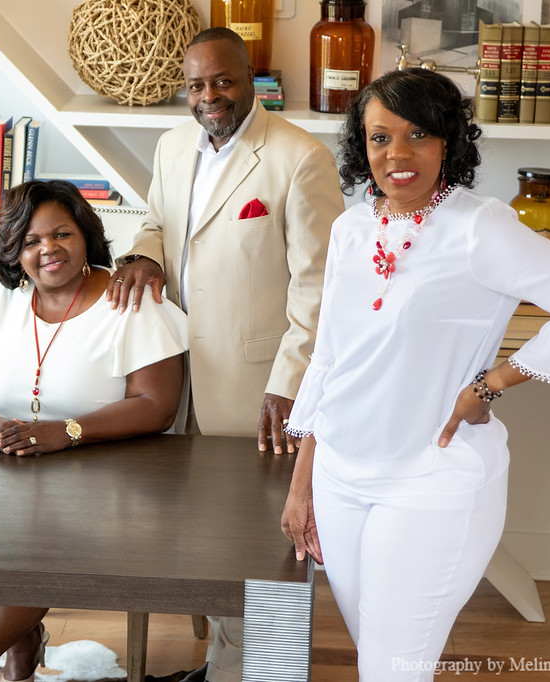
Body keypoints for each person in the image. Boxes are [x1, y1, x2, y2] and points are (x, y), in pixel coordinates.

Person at [280, 68, 550, 681]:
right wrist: (302, 484)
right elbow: (330, 356)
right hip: (340, 476)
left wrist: (491, 384)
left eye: (418, 134)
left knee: (392, 669)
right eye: (379, 138)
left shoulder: (480, 227)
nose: (397, 154)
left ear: (447, 141)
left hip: (430, 479)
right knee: (377, 654)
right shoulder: (351, 229)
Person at [107, 27, 344, 682]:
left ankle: (266, 671)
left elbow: (321, 288)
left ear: (250, 79)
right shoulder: (171, 145)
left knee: (260, 540)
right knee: (200, 533)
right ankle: (224, 664)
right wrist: (143, 255)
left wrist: (290, 381)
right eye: (196, 85)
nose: (209, 95)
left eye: (222, 81)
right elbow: (157, 222)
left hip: (257, 386)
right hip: (176, 375)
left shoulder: (299, 157)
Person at [0, 179, 188, 682]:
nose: (47, 249)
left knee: (31, 547)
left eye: (61, 234)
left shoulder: (132, 301)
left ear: (85, 235)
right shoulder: (1, 301)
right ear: (14, 252)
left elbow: (157, 406)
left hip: (107, 489)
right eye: (30, 241)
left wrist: (66, 431)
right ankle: (20, 636)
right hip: (0, 481)